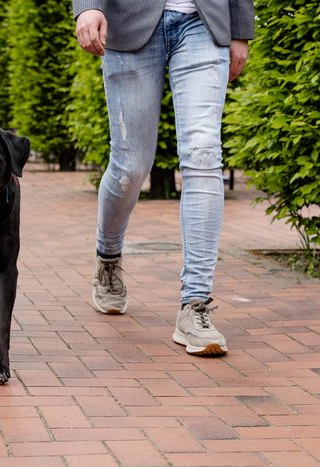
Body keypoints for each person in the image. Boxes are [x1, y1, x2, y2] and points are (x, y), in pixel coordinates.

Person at [73, 0, 254, 356]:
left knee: (204, 155)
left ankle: (195, 304)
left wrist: (241, 29)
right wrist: (87, 6)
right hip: (128, 22)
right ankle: (108, 259)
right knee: (130, 166)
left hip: (205, 23)